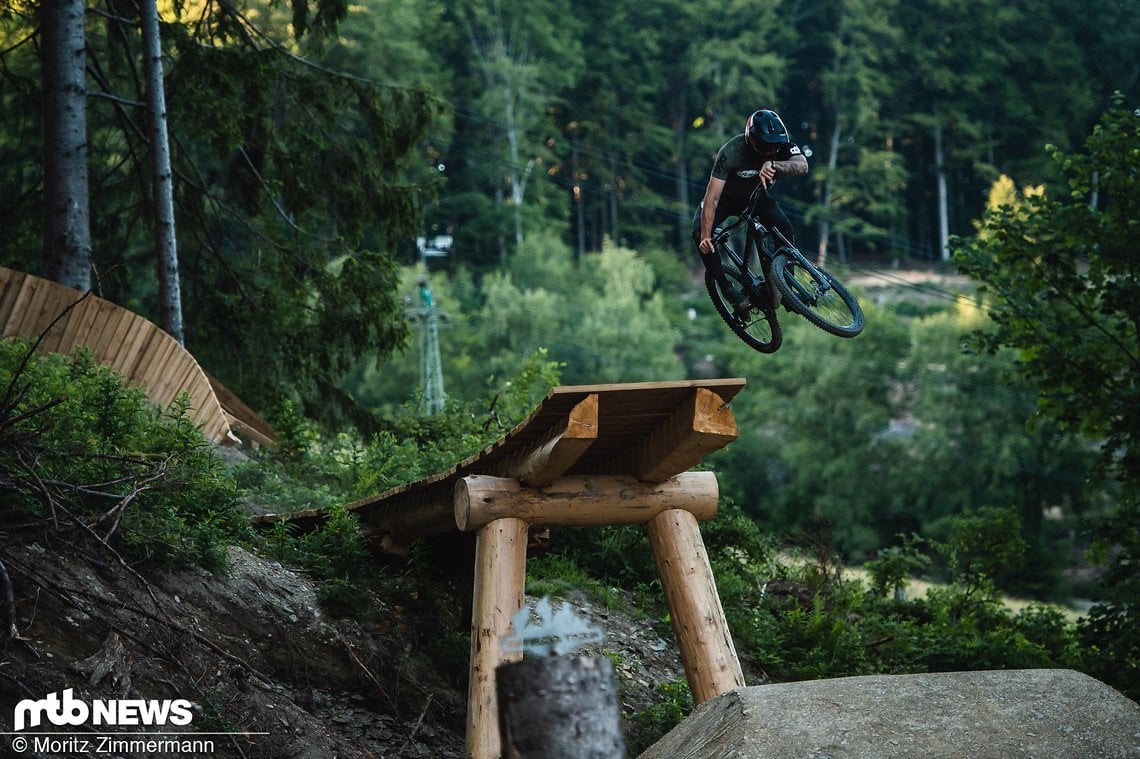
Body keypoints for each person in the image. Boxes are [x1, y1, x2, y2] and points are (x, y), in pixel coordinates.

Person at [694, 108, 808, 311]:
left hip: (756, 199)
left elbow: (802, 166)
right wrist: (705, 235)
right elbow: (712, 197)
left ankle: (787, 287)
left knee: (784, 228)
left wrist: (775, 164)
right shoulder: (731, 152)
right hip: (726, 201)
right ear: (751, 140)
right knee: (700, 234)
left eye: (774, 147)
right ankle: (728, 291)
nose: (769, 150)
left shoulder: (781, 147)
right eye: (764, 147)